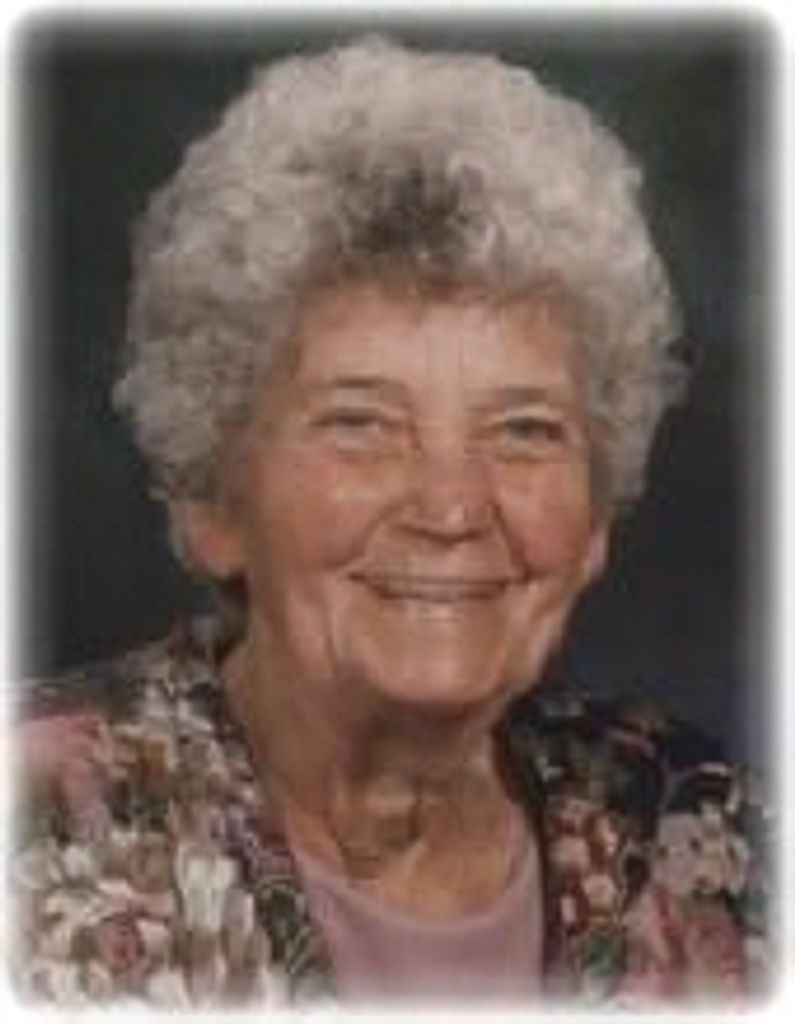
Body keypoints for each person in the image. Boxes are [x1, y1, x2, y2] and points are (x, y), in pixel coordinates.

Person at [12, 35, 767, 1007]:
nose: (450, 507)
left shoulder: (704, 832)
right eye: (361, 424)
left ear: (593, 521)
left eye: (524, 430)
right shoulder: (34, 824)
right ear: (215, 499)